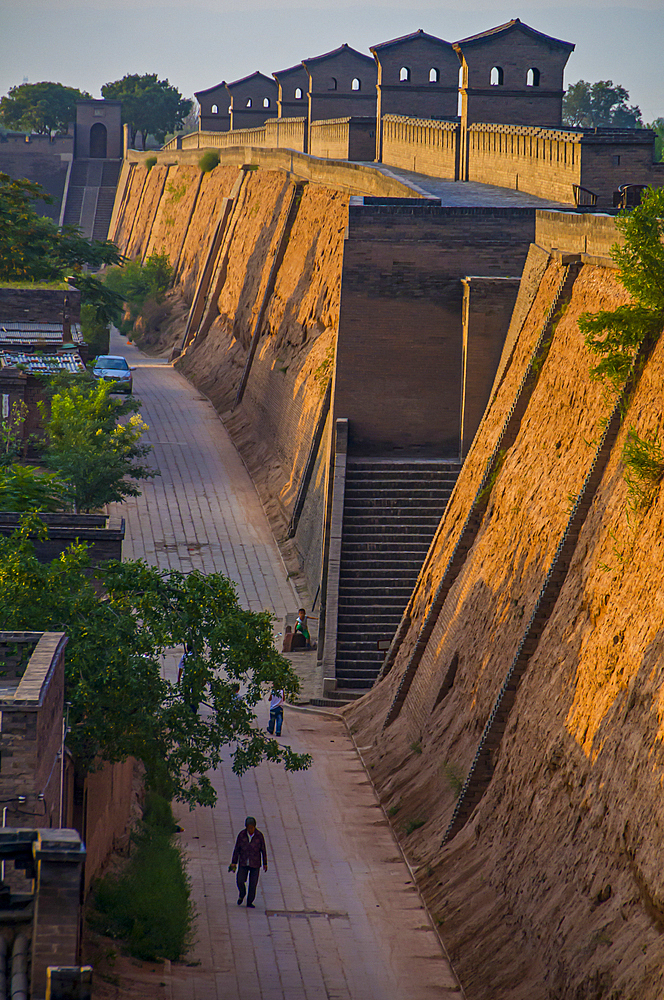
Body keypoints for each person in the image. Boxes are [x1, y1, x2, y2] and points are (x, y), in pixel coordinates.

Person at [229, 816, 268, 908]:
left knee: (253, 884)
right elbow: (237, 849)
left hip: (255, 863)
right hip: (243, 862)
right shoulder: (242, 835)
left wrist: (265, 863)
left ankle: (250, 901)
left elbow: (263, 850)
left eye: (252, 827)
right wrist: (234, 862)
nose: (250, 829)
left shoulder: (259, 836)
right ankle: (242, 893)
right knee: (240, 880)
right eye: (248, 827)